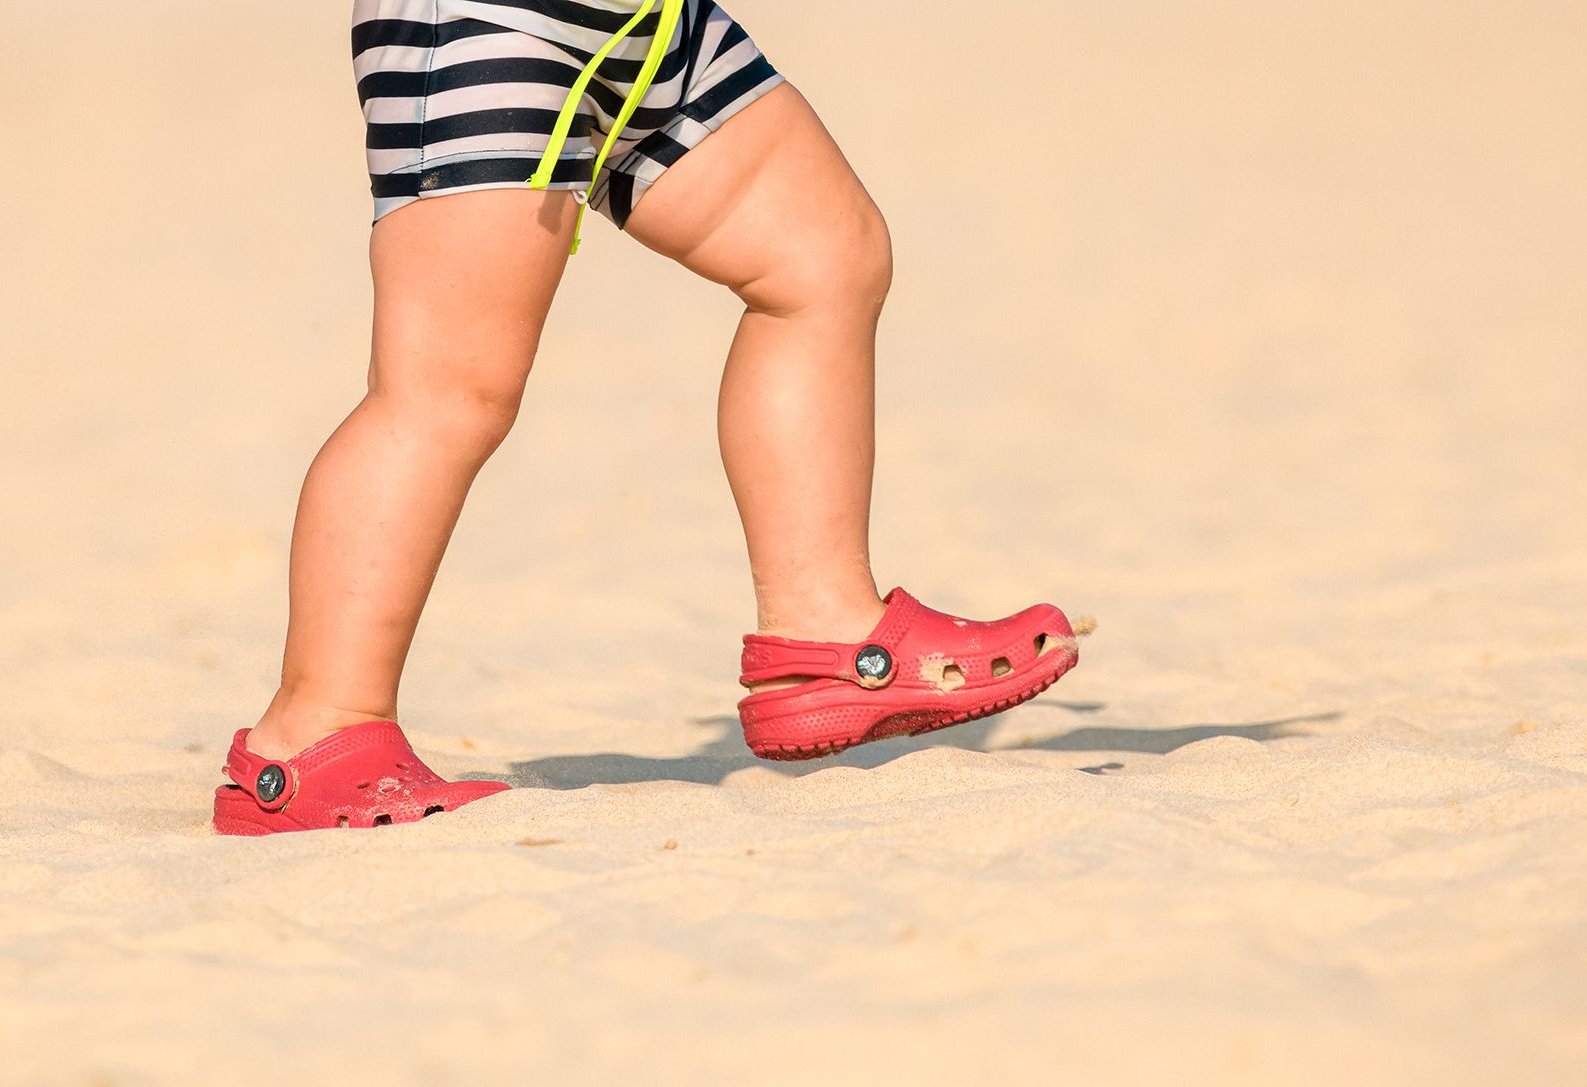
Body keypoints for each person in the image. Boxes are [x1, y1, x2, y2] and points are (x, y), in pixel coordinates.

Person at [213, 0, 1083, 835]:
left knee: (825, 257)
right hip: (497, 16)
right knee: (449, 389)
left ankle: (823, 625)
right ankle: (315, 728)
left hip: (650, 23)